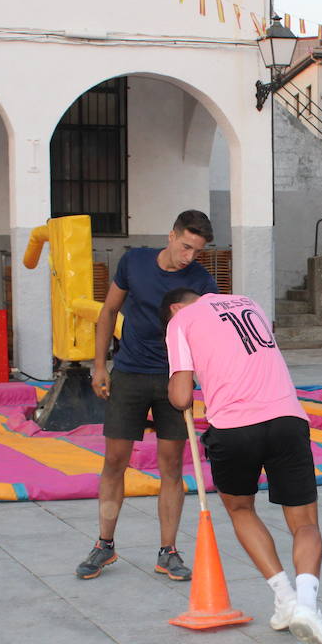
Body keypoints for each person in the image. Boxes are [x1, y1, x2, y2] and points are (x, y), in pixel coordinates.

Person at [162, 289, 322, 644]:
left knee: (241, 509)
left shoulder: (181, 320)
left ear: (175, 307)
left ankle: (285, 598)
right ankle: (306, 603)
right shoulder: (249, 302)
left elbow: (180, 397)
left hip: (234, 427)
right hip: (287, 417)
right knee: (304, 523)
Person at [78, 209, 219, 581]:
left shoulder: (203, 282)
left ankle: (168, 552)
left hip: (175, 378)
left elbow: (209, 338)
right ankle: (104, 545)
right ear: (171, 236)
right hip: (129, 373)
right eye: (186, 246)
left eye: (197, 251)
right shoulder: (134, 261)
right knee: (115, 462)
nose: (189, 256)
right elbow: (109, 310)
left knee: (171, 467)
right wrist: (99, 365)